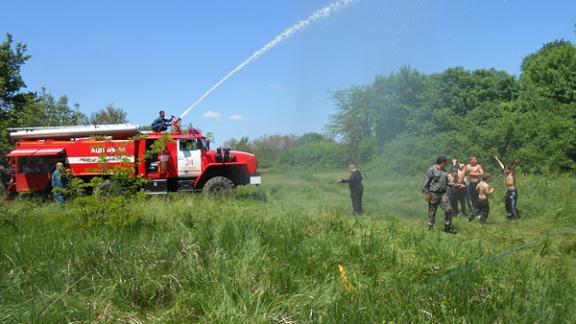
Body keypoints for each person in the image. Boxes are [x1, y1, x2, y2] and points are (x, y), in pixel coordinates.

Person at [422, 156, 456, 234]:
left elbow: (448, 183)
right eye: (446, 163)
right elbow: (426, 181)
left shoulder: (444, 171)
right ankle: (430, 227)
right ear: (442, 163)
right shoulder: (432, 169)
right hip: (433, 194)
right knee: (432, 211)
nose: (446, 164)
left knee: (449, 209)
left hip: (443, 194)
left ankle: (447, 227)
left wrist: (456, 185)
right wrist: (426, 192)